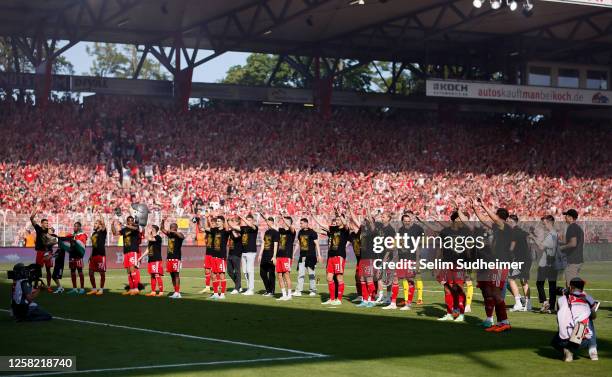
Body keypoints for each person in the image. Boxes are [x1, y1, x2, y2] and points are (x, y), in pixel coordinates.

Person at [472, 198, 512, 332]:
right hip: (495, 263)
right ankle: (500, 322)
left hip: (501, 263)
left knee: (496, 293)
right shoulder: (498, 227)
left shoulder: (505, 226)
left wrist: (483, 205)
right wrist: (475, 209)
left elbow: (493, 219)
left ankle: (504, 322)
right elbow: (484, 220)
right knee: (492, 292)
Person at [551, 278, 599, 362]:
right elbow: (594, 316)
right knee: (589, 318)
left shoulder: (561, 299)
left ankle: (567, 350)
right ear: (582, 288)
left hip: (562, 341)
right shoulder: (588, 298)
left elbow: (560, 319)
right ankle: (593, 350)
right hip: (581, 341)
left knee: (555, 340)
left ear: (570, 287)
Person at [313, 211, 350, 306]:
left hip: (339, 256)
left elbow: (345, 224)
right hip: (331, 257)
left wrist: (339, 214)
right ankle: (332, 298)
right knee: (329, 277)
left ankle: (339, 299)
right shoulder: (333, 229)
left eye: (339, 219)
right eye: (336, 219)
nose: (337, 221)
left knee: (339, 278)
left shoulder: (345, 230)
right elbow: (322, 225)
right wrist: (313, 216)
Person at [530, 215, 560, 314]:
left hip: (546, 263)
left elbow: (541, 247)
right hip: (552, 263)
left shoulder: (552, 234)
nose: (543, 225)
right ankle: (551, 306)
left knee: (540, 283)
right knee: (552, 285)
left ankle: (546, 303)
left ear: (549, 223)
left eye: (544, 223)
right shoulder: (554, 234)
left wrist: (533, 237)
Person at [507, 214, 532, 312]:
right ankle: (528, 304)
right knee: (524, 281)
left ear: (512, 222)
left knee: (511, 278)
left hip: (519, 259)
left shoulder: (513, 232)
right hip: (527, 258)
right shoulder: (522, 232)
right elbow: (530, 241)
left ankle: (518, 303)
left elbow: (511, 248)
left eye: (508, 221)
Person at [112, 215, 142, 296]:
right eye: (129, 220)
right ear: (127, 221)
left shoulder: (136, 228)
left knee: (133, 270)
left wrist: (124, 224)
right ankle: (131, 289)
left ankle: (136, 289)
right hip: (126, 252)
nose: (131, 222)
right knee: (128, 271)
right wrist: (112, 225)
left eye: (132, 220)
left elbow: (136, 228)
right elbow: (115, 233)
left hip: (133, 251)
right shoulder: (124, 230)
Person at [294, 217, 321, 297]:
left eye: (301, 223)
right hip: (302, 256)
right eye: (300, 223)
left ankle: (313, 290)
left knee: (311, 274)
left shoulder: (312, 232)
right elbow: (298, 243)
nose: (300, 224)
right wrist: (293, 253)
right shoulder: (300, 232)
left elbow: (317, 244)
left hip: (311, 256)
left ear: (306, 223)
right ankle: (299, 290)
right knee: (300, 274)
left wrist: (319, 255)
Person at [161, 218, 185, 299]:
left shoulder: (179, 235)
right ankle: (175, 292)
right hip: (169, 258)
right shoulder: (170, 235)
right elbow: (162, 229)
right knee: (172, 275)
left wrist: (174, 231)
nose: (171, 228)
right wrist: (163, 221)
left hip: (176, 258)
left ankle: (178, 292)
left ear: (175, 228)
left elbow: (182, 236)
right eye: (170, 227)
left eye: (172, 227)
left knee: (176, 275)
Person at [207, 215, 230, 299]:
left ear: (223, 223)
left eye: (219, 221)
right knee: (213, 275)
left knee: (222, 275)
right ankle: (215, 293)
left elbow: (227, 229)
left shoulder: (225, 231)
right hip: (214, 256)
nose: (217, 222)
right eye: (217, 221)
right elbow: (207, 228)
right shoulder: (214, 230)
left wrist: (225, 219)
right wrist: (208, 219)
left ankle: (222, 294)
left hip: (221, 257)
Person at [559, 209, 584, 286]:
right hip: (577, 259)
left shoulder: (571, 227)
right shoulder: (578, 228)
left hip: (573, 260)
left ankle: (574, 298)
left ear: (570, 217)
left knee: (571, 285)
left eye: (566, 215)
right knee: (572, 284)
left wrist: (561, 248)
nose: (565, 217)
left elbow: (573, 243)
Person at [275, 213, 296, 301]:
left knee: (286, 275)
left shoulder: (292, 231)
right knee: (279, 275)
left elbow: (291, 227)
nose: (284, 222)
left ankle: (289, 294)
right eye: (284, 221)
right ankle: (284, 294)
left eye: (286, 221)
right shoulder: (281, 231)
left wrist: (284, 219)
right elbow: (274, 225)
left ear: (290, 222)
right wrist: (278, 218)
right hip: (279, 255)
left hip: (286, 256)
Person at [30, 211, 52, 289]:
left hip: (47, 252)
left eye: (47, 223)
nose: (47, 224)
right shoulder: (38, 228)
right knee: (38, 269)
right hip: (40, 252)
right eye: (45, 223)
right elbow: (32, 219)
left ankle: (49, 285)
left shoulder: (49, 231)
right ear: (42, 223)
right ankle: (35, 285)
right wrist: (33, 214)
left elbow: (52, 239)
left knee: (48, 269)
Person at [257, 215, 279, 297]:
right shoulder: (266, 232)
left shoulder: (276, 232)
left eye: (269, 221)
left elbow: (276, 245)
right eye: (267, 221)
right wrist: (260, 254)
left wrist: (274, 256)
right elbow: (263, 243)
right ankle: (268, 289)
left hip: (271, 255)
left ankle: (272, 291)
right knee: (262, 273)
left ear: (272, 222)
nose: (267, 222)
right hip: (264, 255)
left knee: (271, 274)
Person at [141, 225, 164, 297]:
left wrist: (147, 231)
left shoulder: (158, 237)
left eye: (150, 228)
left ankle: (161, 291)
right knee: (152, 276)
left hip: (156, 259)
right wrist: (141, 257)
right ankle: (153, 291)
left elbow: (149, 238)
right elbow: (148, 249)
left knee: (157, 275)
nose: (149, 229)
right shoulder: (151, 238)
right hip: (150, 259)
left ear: (153, 230)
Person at [66, 222, 88, 295]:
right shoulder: (72, 235)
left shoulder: (83, 235)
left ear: (79, 227)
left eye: (76, 226)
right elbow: (65, 238)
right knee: (72, 271)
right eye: (74, 226)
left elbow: (82, 244)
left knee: (80, 271)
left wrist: (74, 240)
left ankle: (82, 288)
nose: (75, 227)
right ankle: (74, 288)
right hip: (72, 255)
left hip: (78, 256)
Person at [239, 213, 258, 295]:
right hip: (244, 251)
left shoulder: (255, 228)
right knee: (245, 271)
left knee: (250, 270)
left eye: (250, 220)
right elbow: (234, 227)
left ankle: (251, 289)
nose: (247, 222)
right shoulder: (243, 228)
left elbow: (251, 225)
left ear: (253, 221)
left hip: (251, 251)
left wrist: (243, 217)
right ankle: (248, 288)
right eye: (247, 220)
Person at [87, 218, 107, 296]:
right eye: (94, 223)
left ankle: (101, 289)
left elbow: (104, 224)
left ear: (100, 225)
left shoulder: (103, 232)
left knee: (102, 273)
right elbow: (93, 246)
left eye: (96, 223)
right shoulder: (93, 233)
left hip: (100, 255)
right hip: (94, 255)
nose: (94, 225)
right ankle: (94, 289)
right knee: (90, 272)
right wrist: (91, 255)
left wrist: (101, 216)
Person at [226, 217, 244, 294]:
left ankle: (236, 288)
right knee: (229, 271)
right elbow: (227, 230)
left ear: (238, 223)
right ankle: (238, 285)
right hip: (230, 253)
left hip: (237, 253)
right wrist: (227, 222)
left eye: (234, 221)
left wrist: (231, 227)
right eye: (232, 221)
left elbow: (236, 236)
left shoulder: (240, 230)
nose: (233, 222)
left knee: (237, 271)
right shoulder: (231, 230)